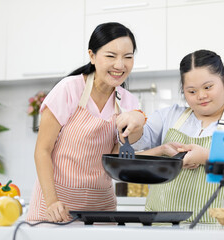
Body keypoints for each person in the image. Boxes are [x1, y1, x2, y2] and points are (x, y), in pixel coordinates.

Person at [116, 49, 224, 223]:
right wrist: (135, 120)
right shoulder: (170, 116)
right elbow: (137, 142)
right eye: (191, 91)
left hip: (219, 231)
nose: (201, 96)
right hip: (162, 228)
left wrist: (207, 158)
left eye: (208, 87)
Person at [26, 22, 145, 222]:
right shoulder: (69, 89)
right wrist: (52, 201)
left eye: (128, 57)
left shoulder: (129, 102)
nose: (120, 65)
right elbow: (42, 150)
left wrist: (142, 127)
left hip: (102, 208)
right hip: (56, 207)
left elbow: (117, 159)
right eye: (110, 56)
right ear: (92, 56)